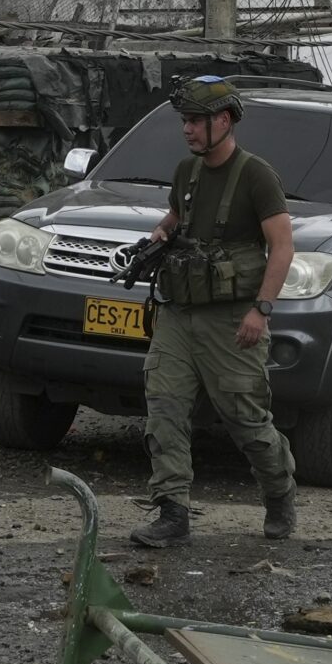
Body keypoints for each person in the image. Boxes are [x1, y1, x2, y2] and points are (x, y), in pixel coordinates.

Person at [131, 75, 298, 549]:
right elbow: (177, 218)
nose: (187, 130)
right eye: (184, 121)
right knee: (163, 408)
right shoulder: (187, 172)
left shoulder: (257, 175)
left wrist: (260, 310)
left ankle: (279, 490)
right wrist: (157, 238)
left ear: (223, 121)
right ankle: (173, 511)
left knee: (246, 421)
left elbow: (282, 247)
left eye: (195, 121)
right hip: (180, 314)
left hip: (232, 320)